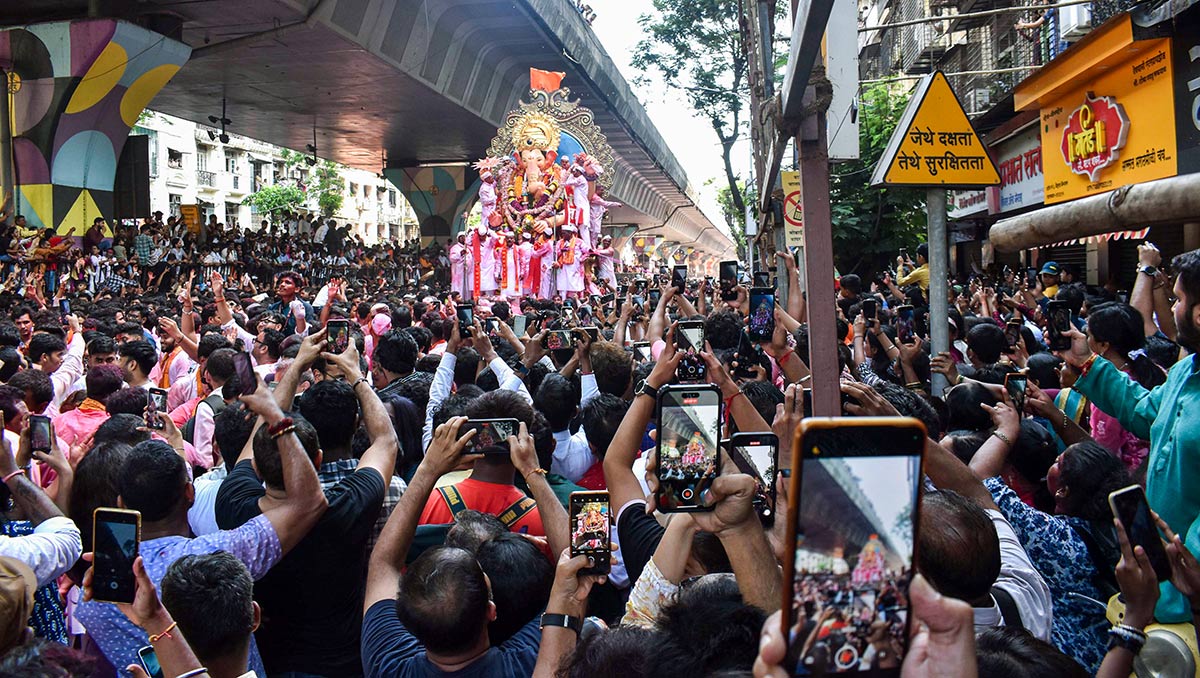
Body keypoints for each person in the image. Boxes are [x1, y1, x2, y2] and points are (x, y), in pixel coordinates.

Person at [73, 376, 328, 676]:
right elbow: (310, 502)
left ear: (120, 504)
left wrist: (177, 445)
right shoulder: (219, 556)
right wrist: (275, 417)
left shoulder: (96, 597)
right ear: (189, 494)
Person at [1062, 248, 1200, 624]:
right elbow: (1145, 411)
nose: (1170, 309)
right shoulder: (1185, 371)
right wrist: (1088, 362)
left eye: (1177, 300)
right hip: (1159, 581)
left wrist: (1185, 575)